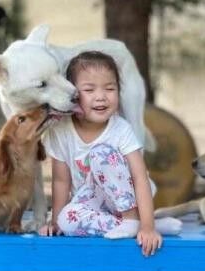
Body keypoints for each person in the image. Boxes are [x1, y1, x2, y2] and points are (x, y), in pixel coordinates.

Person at [38, 51, 182, 256]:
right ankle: (133, 224)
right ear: (74, 95)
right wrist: (54, 223)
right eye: (89, 89)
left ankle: (136, 219)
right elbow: (61, 181)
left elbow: (140, 178)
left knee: (100, 154)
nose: (101, 96)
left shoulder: (120, 129)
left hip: (129, 197)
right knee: (65, 219)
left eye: (110, 88)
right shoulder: (61, 131)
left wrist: (148, 229)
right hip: (94, 206)